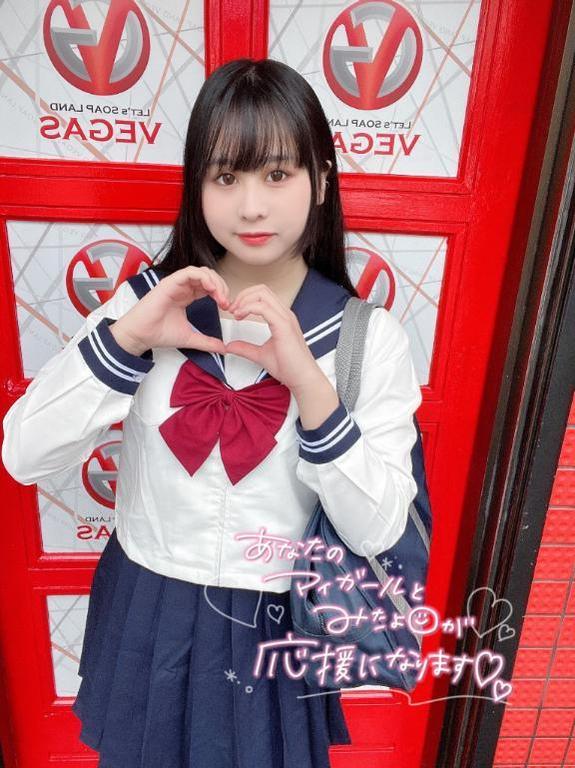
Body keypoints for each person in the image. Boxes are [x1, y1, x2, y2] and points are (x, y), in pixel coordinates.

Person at [1, 58, 422, 768]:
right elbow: (23, 454)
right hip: (150, 604)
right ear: (196, 186)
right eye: (226, 177)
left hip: (276, 624)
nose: (251, 207)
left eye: (277, 174)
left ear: (322, 180)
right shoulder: (145, 304)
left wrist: (311, 389)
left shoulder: (366, 340)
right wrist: (128, 339)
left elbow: (379, 529)